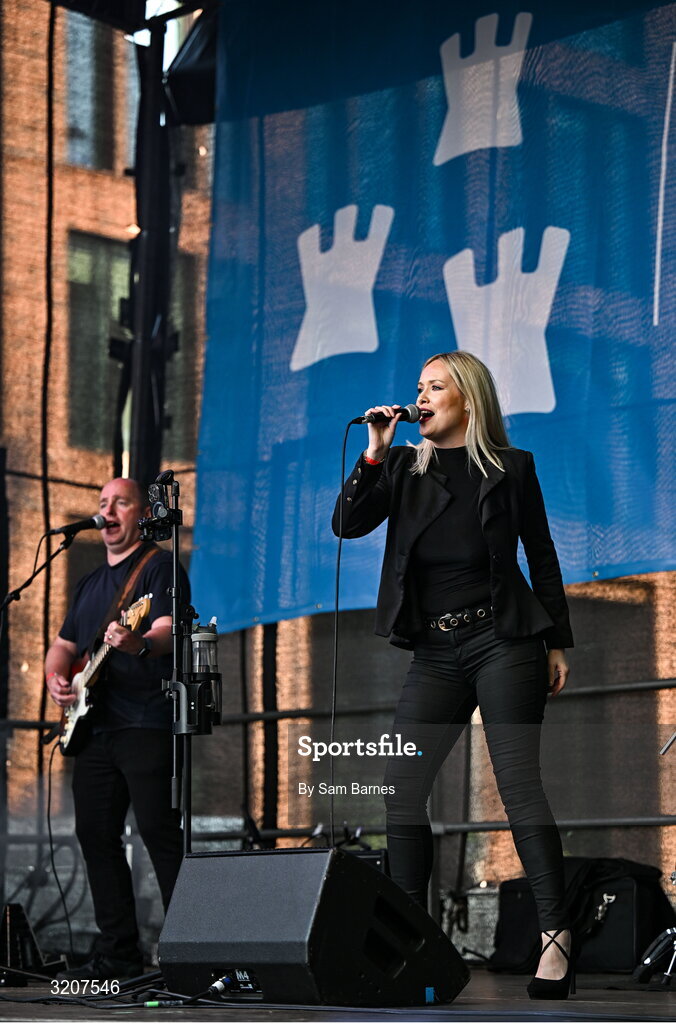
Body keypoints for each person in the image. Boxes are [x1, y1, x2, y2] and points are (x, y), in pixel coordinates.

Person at [333, 351, 575, 1000]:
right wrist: (376, 452)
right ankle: (414, 943)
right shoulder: (405, 469)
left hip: (504, 639)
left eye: (435, 386)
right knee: (401, 786)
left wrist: (556, 643)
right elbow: (346, 522)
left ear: (467, 399)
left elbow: (542, 558)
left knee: (518, 784)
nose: (421, 396)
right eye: (418, 387)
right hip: (437, 651)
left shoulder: (512, 468)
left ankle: (557, 938)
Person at [45, 478, 189, 981]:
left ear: (138, 514)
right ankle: (118, 954)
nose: (108, 511)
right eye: (102, 503)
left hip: (145, 721)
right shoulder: (88, 584)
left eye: (120, 502)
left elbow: (169, 630)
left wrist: (137, 643)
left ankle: (191, 952)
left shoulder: (159, 566)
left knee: (158, 834)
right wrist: (56, 678)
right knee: (95, 835)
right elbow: (63, 645)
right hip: (95, 727)